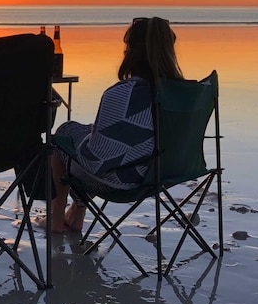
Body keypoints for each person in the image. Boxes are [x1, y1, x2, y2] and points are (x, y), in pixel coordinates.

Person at [49, 17, 184, 233]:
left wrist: (88, 138)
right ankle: (75, 212)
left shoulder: (122, 94)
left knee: (63, 135)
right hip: (163, 173)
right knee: (99, 136)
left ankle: (56, 221)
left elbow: (96, 159)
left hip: (121, 181)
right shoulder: (183, 94)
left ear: (131, 51)